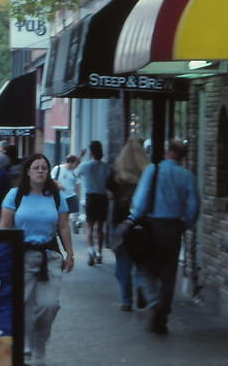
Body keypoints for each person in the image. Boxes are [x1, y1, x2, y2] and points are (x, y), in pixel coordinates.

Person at [0, 153, 75, 366]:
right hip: (21, 255)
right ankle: (24, 347)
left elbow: (63, 226)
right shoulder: (15, 196)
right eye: (36, 167)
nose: (41, 171)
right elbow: (4, 227)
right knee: (22, 304)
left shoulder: (56, 196)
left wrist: (70, 254)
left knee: (49, 305)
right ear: (28, 171)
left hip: (49, 255)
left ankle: (40, 342)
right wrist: (1, 256)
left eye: (44, 167)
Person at [124, 139, 200, 334]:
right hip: (174, 227)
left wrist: (134, 219)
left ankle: (155, 302)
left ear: (168, 152)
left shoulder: (153, 170)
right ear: (183, 157)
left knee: (144, 267)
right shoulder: (188, 176)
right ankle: (163, 315)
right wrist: (186, 223)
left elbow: (141, 199)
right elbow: (193, 206)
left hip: (152, 225)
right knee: (168, 273)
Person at [110, 137, 150, 311]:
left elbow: (109, 196)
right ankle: (141, 287)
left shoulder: (116, 175)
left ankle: (126, 300)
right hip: (142, 223)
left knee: (122, 266)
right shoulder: (147, 173)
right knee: (141, 261)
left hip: (121, 224)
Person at [76, 140, 114, 265]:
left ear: (91, 152)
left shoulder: (85, 166)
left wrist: (81, 156)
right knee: (101, 227)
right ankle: (100, 253)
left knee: (90, 226)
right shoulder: (107, 167)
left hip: (91, 197)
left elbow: (75, 172)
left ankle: (91, 251)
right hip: (102, 198)